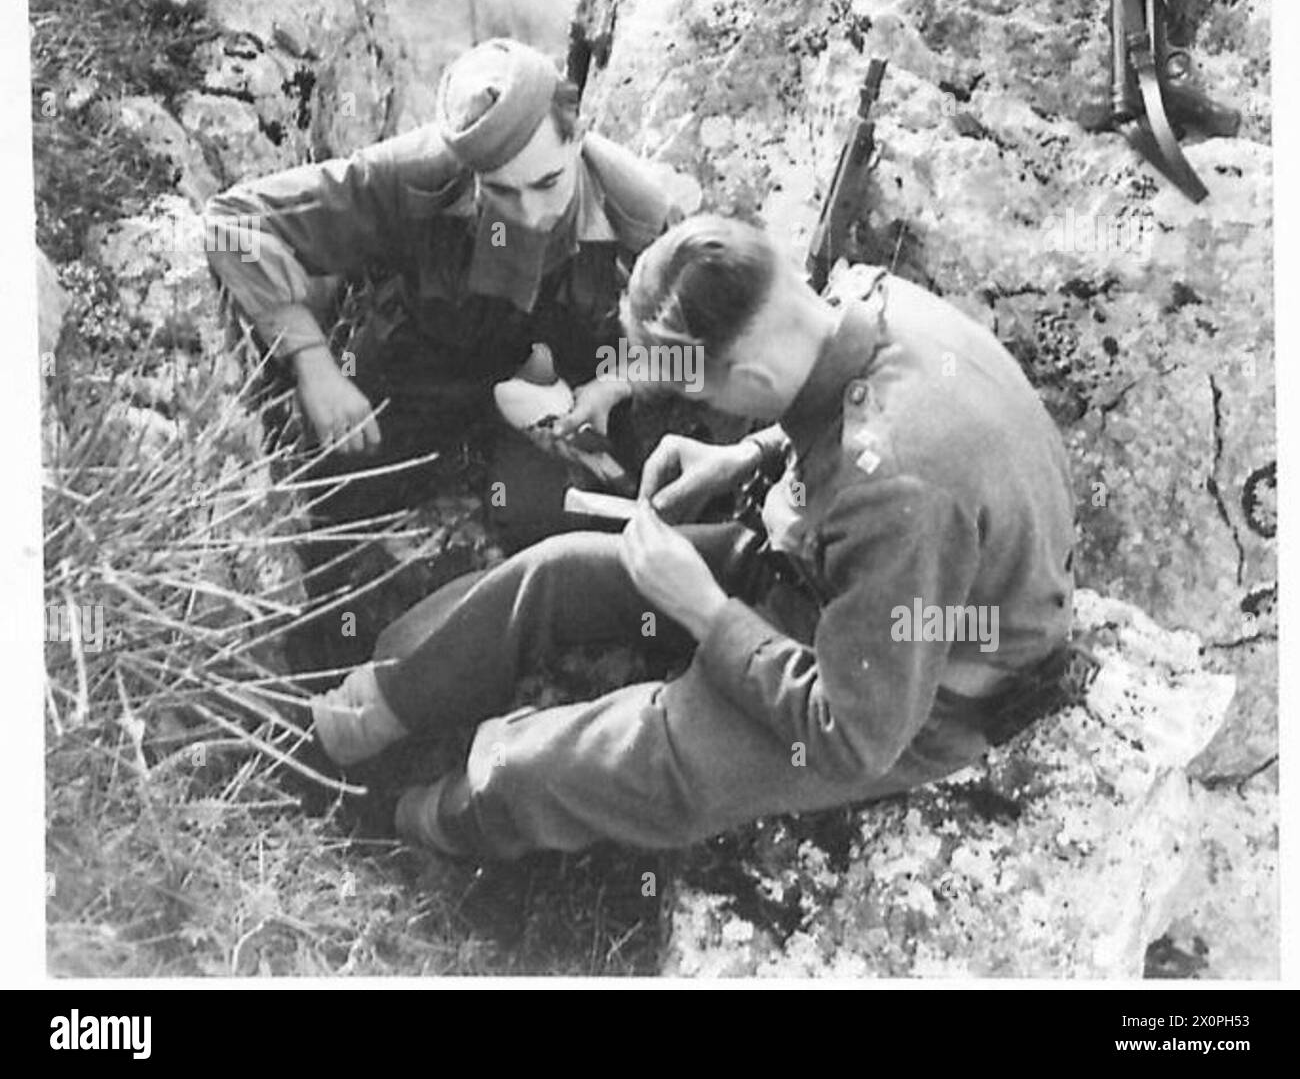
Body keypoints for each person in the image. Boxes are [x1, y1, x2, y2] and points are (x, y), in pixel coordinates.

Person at [309, 214, 1077, 858]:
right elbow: (839, 407)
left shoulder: (895, 490)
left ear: (747, 384)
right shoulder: (858, 298)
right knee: (557, 570)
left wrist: (708, 614)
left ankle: (411, 822)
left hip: (914, 686)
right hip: (833, 573)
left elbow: (854, 734)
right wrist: (747, 451)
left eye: (701, 392)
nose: (696, 407)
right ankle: (369, 707)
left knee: (599, 760)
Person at [203, 38, 701, 658]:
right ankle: (327, 678)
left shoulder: (641, 213)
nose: (533, 213)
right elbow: (233, 221)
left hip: (560, 401)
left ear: (577, 139)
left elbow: (706, 345)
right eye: (504, 192)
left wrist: (617, 383)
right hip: (423, 372)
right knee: (332, 506)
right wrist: (314, 363)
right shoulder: (416, 173)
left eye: (548, 183)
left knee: (583, 527)